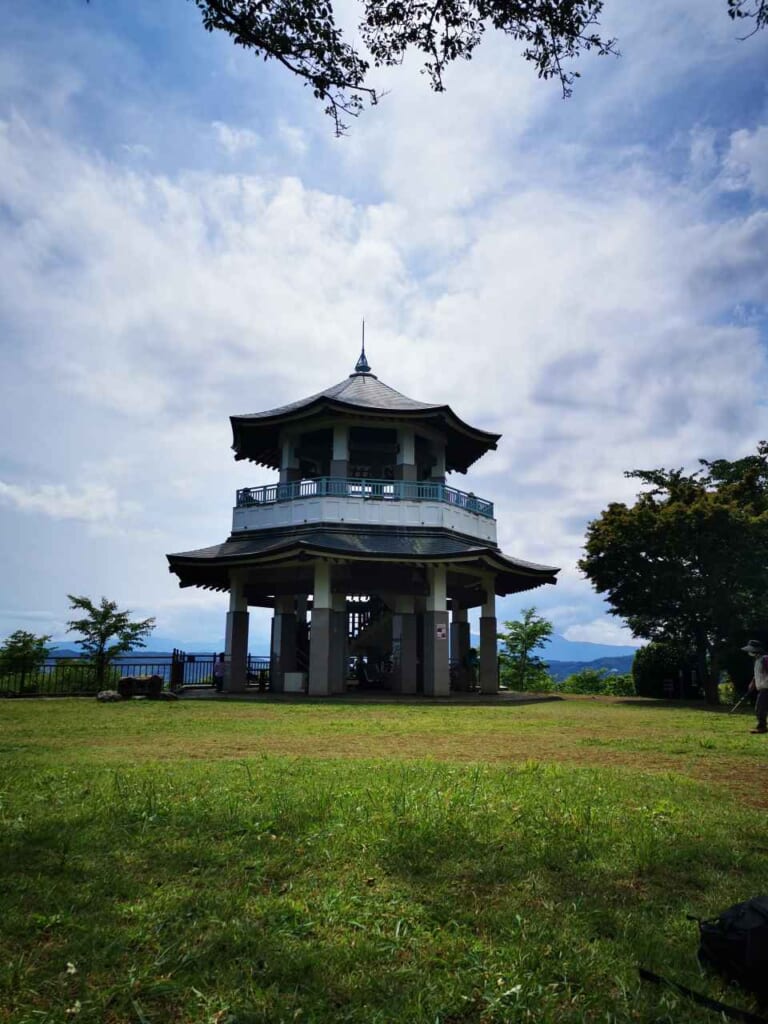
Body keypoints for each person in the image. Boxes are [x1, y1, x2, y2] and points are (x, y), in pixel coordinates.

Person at [742, 639, 768, 734]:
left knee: (760, 708)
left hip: (766, 688)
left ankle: (762, 727)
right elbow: (758, 674)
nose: (749, 652)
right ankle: (762, 726)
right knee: (760, 708)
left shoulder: (765, 659)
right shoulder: (757, 660)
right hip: (762, 688)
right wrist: (753, 682)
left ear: (755, 650)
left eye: (750, 650)